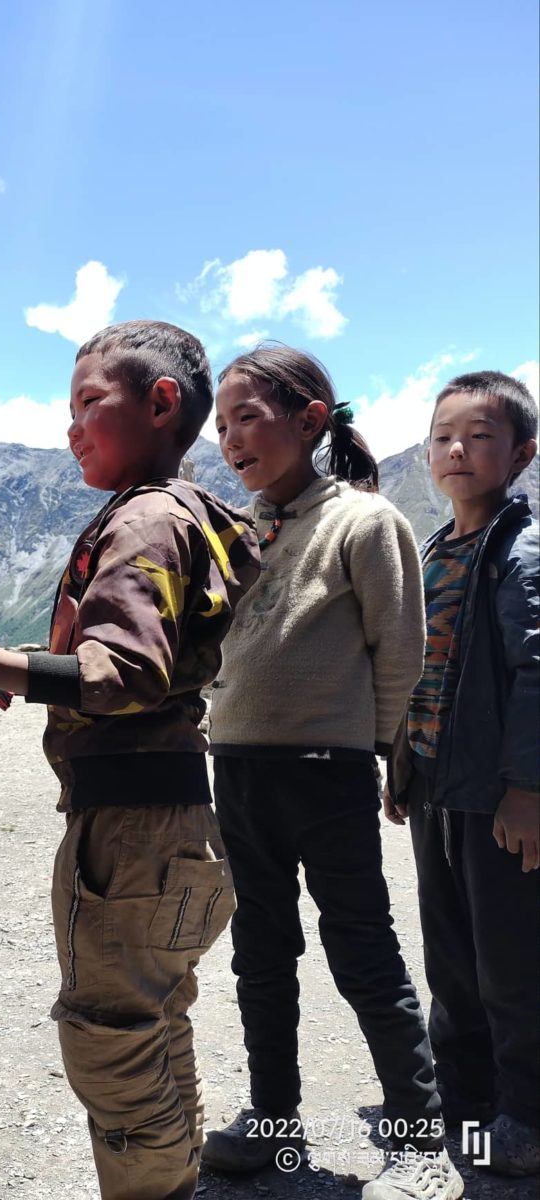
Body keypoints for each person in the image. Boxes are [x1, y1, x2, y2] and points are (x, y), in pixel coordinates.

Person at [0, 320, 260, 1200]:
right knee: (156, 1018)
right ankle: (175, 1179)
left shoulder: (143, 519)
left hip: (128, 834)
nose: (70, 428)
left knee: (109, 1038)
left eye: (88, 403)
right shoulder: (186, 514)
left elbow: (125, 672)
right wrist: (24, 670)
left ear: (161, 403)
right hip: (180, 820)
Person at [202, 344, 464, 1200]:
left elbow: (401, 652)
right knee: (259, 952)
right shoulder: (238, 530)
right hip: (238, 771)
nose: (231, 439)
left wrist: (376, 751)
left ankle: (419, 1141)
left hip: (327, 774)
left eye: (248, 418)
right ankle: (274, 1120)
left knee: (363, 950)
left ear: (311, 419)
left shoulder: (363, 522)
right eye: (222, 425)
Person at [384, 371, 539, 1178]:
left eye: (480, 437)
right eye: (444, 436)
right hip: (439, 790)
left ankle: (527, 1115)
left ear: (521, 454)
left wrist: (528, 789)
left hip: (497, 798)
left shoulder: (523, 552)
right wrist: (401, 766)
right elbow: (418, 673)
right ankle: (467, 1101)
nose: (457, 451)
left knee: (511, 958)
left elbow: (537, 673)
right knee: (449, 953)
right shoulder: (435, 551)